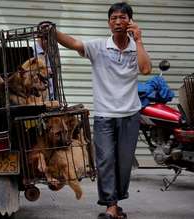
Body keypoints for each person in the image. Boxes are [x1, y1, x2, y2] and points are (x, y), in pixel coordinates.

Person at [42, 2, 151, 219]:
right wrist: (53, 32)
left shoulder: (135, 48)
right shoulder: (99, 47)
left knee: (123, 163)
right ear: (109, 23)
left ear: (130, 21)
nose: (118, 22)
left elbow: (146, 69)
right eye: (114, 18)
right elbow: (74, 43)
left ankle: (116, 203)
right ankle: (111, 206)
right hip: (104, 115)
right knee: (105, 160)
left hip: (130, 115)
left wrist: (139, 41)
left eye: (122, 18)